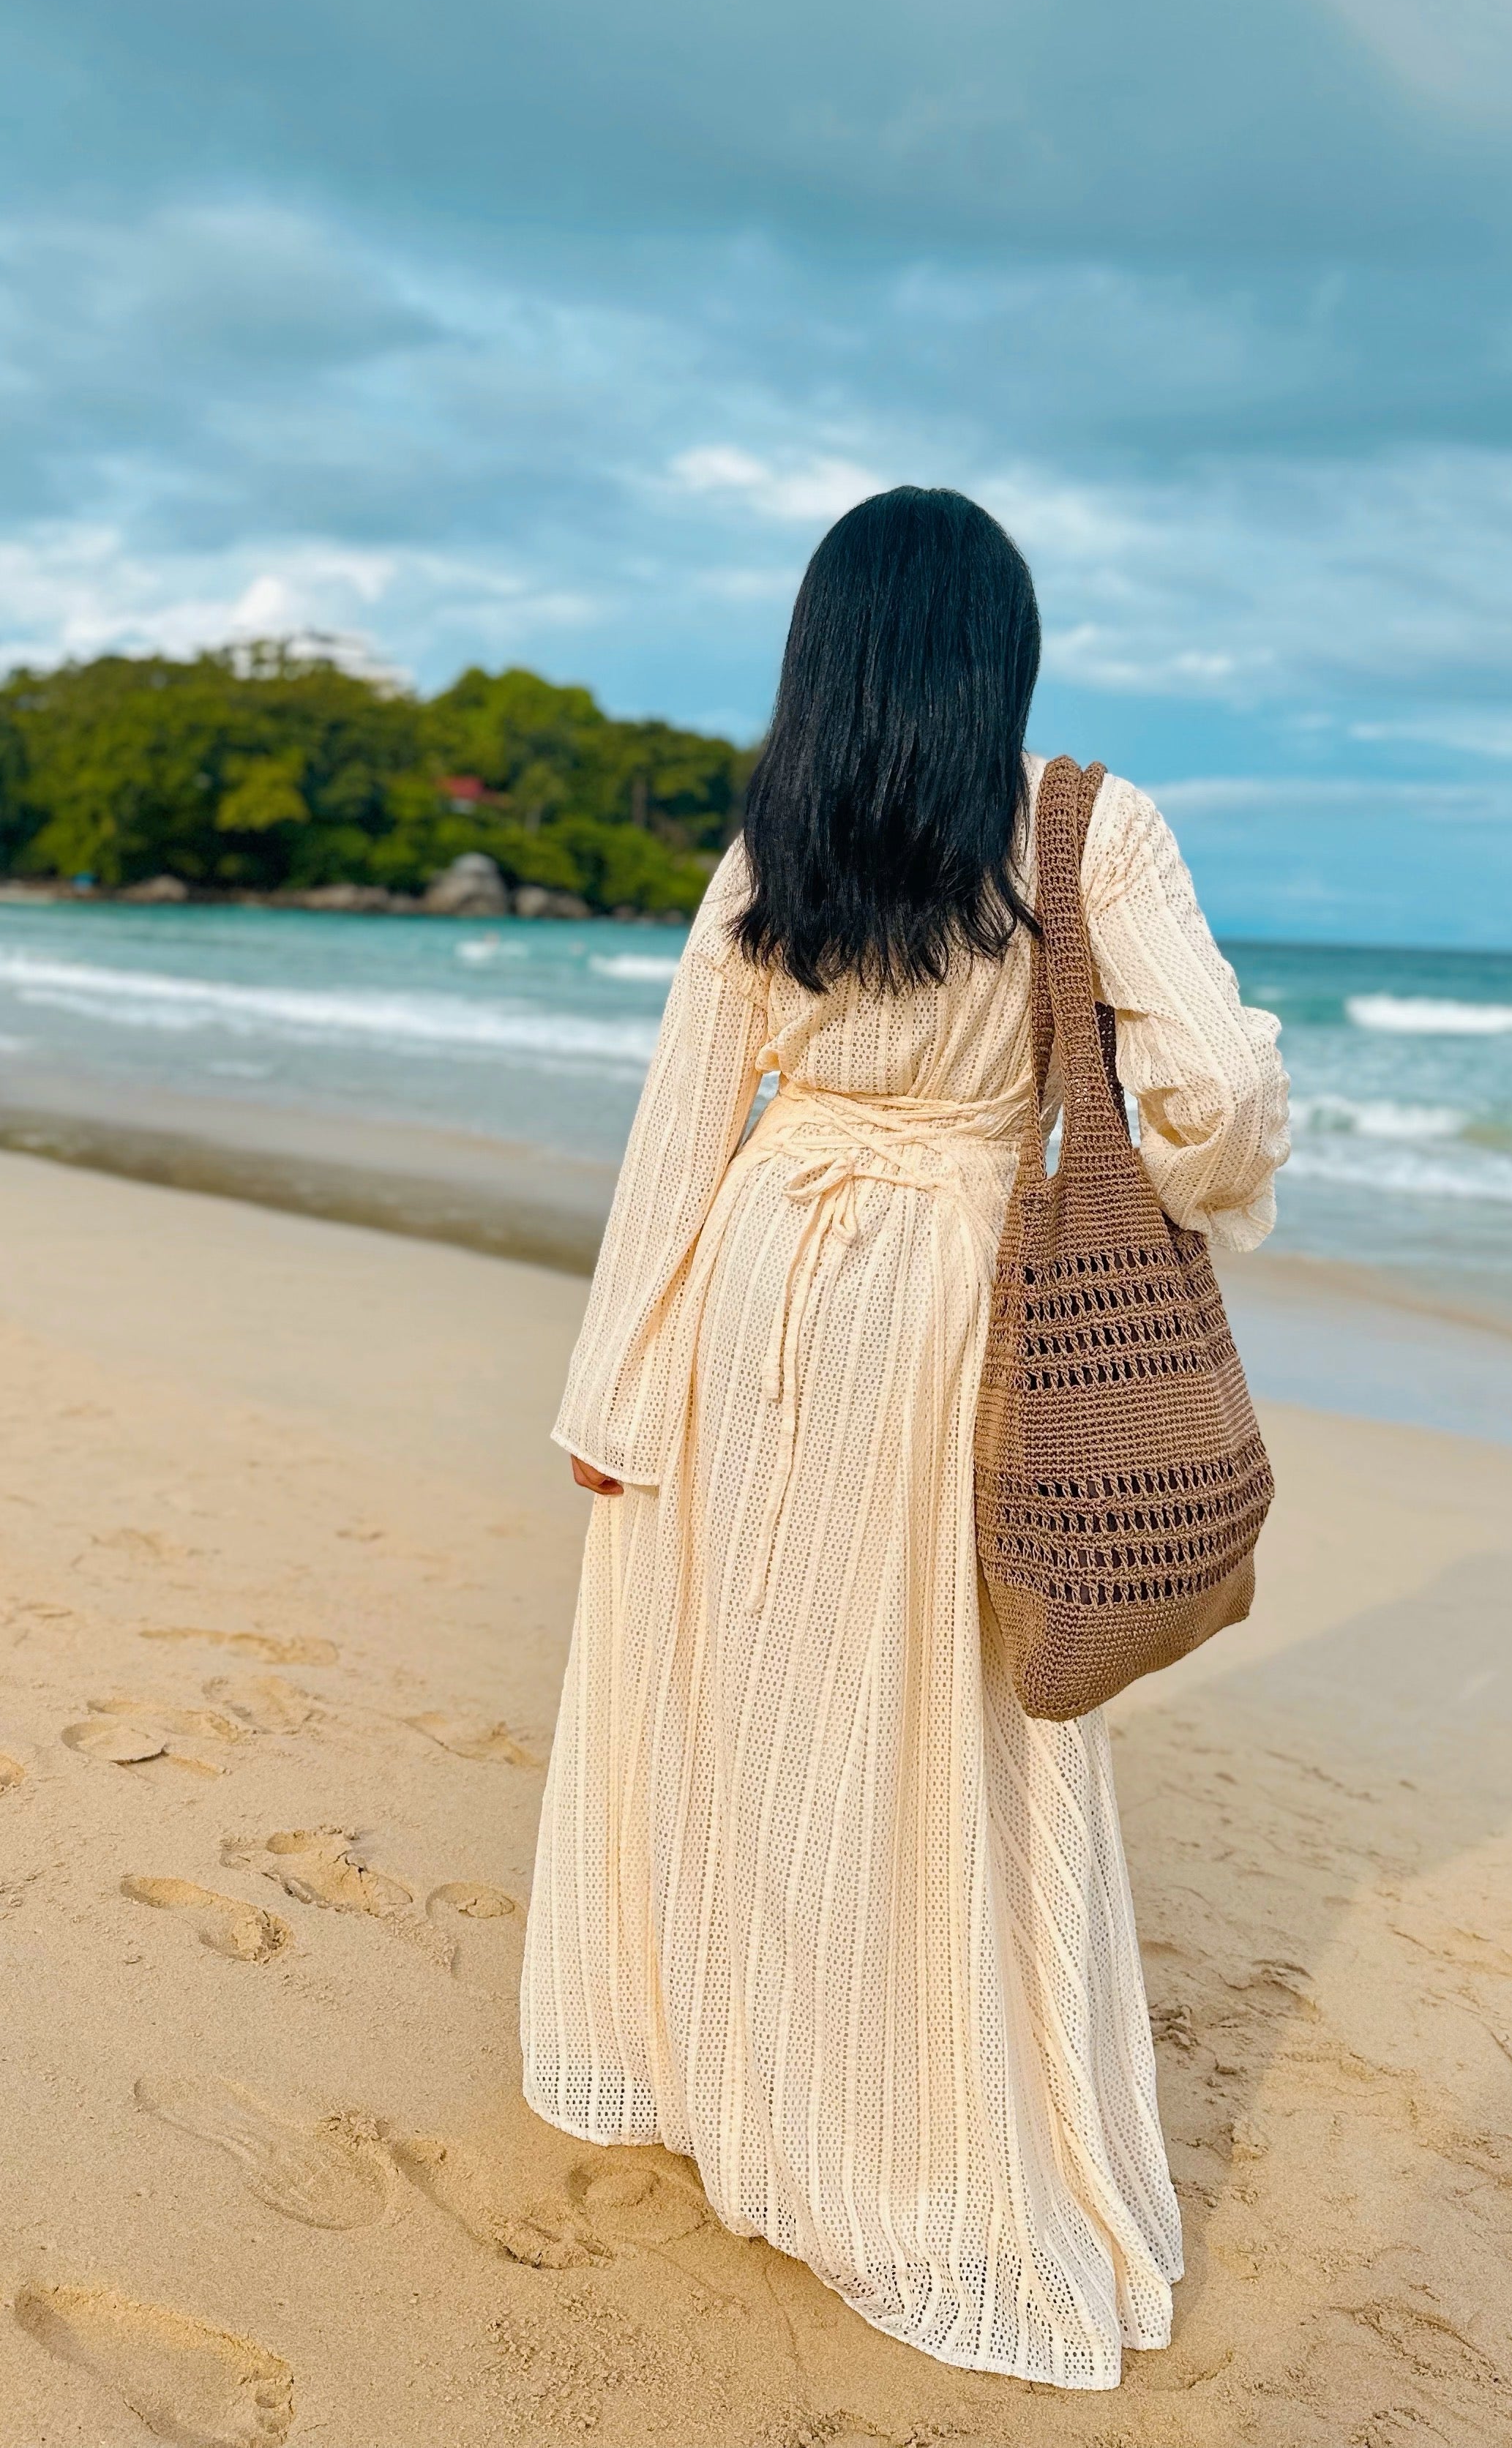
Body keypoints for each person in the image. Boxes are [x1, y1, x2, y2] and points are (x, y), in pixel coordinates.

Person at [520, 487, 1290, 2389]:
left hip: (764, 1273)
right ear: (999, 647)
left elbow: (687, 1110)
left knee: (745, 1690)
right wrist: (1187, 1164)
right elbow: (1219, 1085)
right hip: (947, 1300)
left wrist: (614, 1386)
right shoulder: (1085, 827)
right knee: (925, 1715)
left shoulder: (776, 832)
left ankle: (738, 2087)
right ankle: (899, 2128)